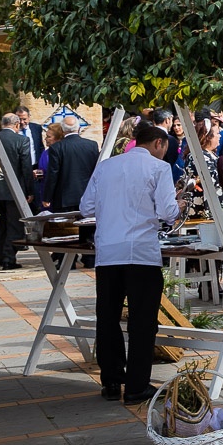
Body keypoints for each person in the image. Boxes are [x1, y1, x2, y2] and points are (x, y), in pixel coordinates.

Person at [79, 122, 181, 404]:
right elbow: (167, 212)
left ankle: (111, 381)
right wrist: (179, 206)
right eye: (165, 149)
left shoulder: (106, 166)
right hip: (140, 252)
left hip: (109, 252)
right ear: (158, 143)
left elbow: (86, 206)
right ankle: (136, 386)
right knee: (142, 321)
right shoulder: (159, 169)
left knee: (108, 317)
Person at [0, 113, 37, 269]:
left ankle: (1, 257)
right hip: (15, 189)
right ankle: (8, 258)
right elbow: (26, 168)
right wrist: (29, 191)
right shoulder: (21, 140)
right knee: (14, 225)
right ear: (17, 125)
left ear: (1, 124)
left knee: (0, 226)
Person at [42, 117, 99, 213]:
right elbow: (96, 170)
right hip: (87, 196)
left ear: (63, 130)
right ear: (79, 128)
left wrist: (47, 197)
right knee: (87, 226)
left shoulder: (56, 148)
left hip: (64, 198)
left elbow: (53, 174)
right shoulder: (92, 145)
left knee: (65, 227)